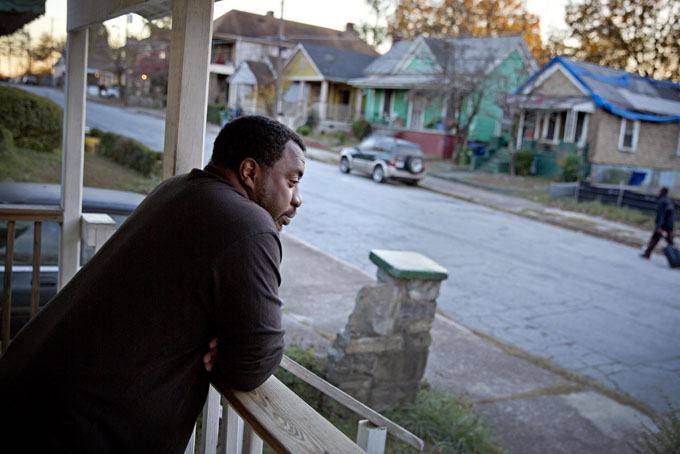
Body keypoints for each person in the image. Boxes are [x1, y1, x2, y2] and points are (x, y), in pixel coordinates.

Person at [0, 115, 305, 452]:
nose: (297, 199)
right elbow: (254, 361)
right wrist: (235, 350)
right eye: (292, 181)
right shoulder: (250, 225)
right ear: (250, 173)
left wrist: (235, 343)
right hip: (74, 428)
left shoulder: (178, 188)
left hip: (33, 390)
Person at [640, 186, 675, 258]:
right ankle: (647, 253)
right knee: (656, 238)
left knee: (667, 240)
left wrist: (659, 226)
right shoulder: (668, 201)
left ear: (662, 192)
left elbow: (661, 214)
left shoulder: (662, 201)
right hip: (669, 224)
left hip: (663, 225)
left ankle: (676, 257)